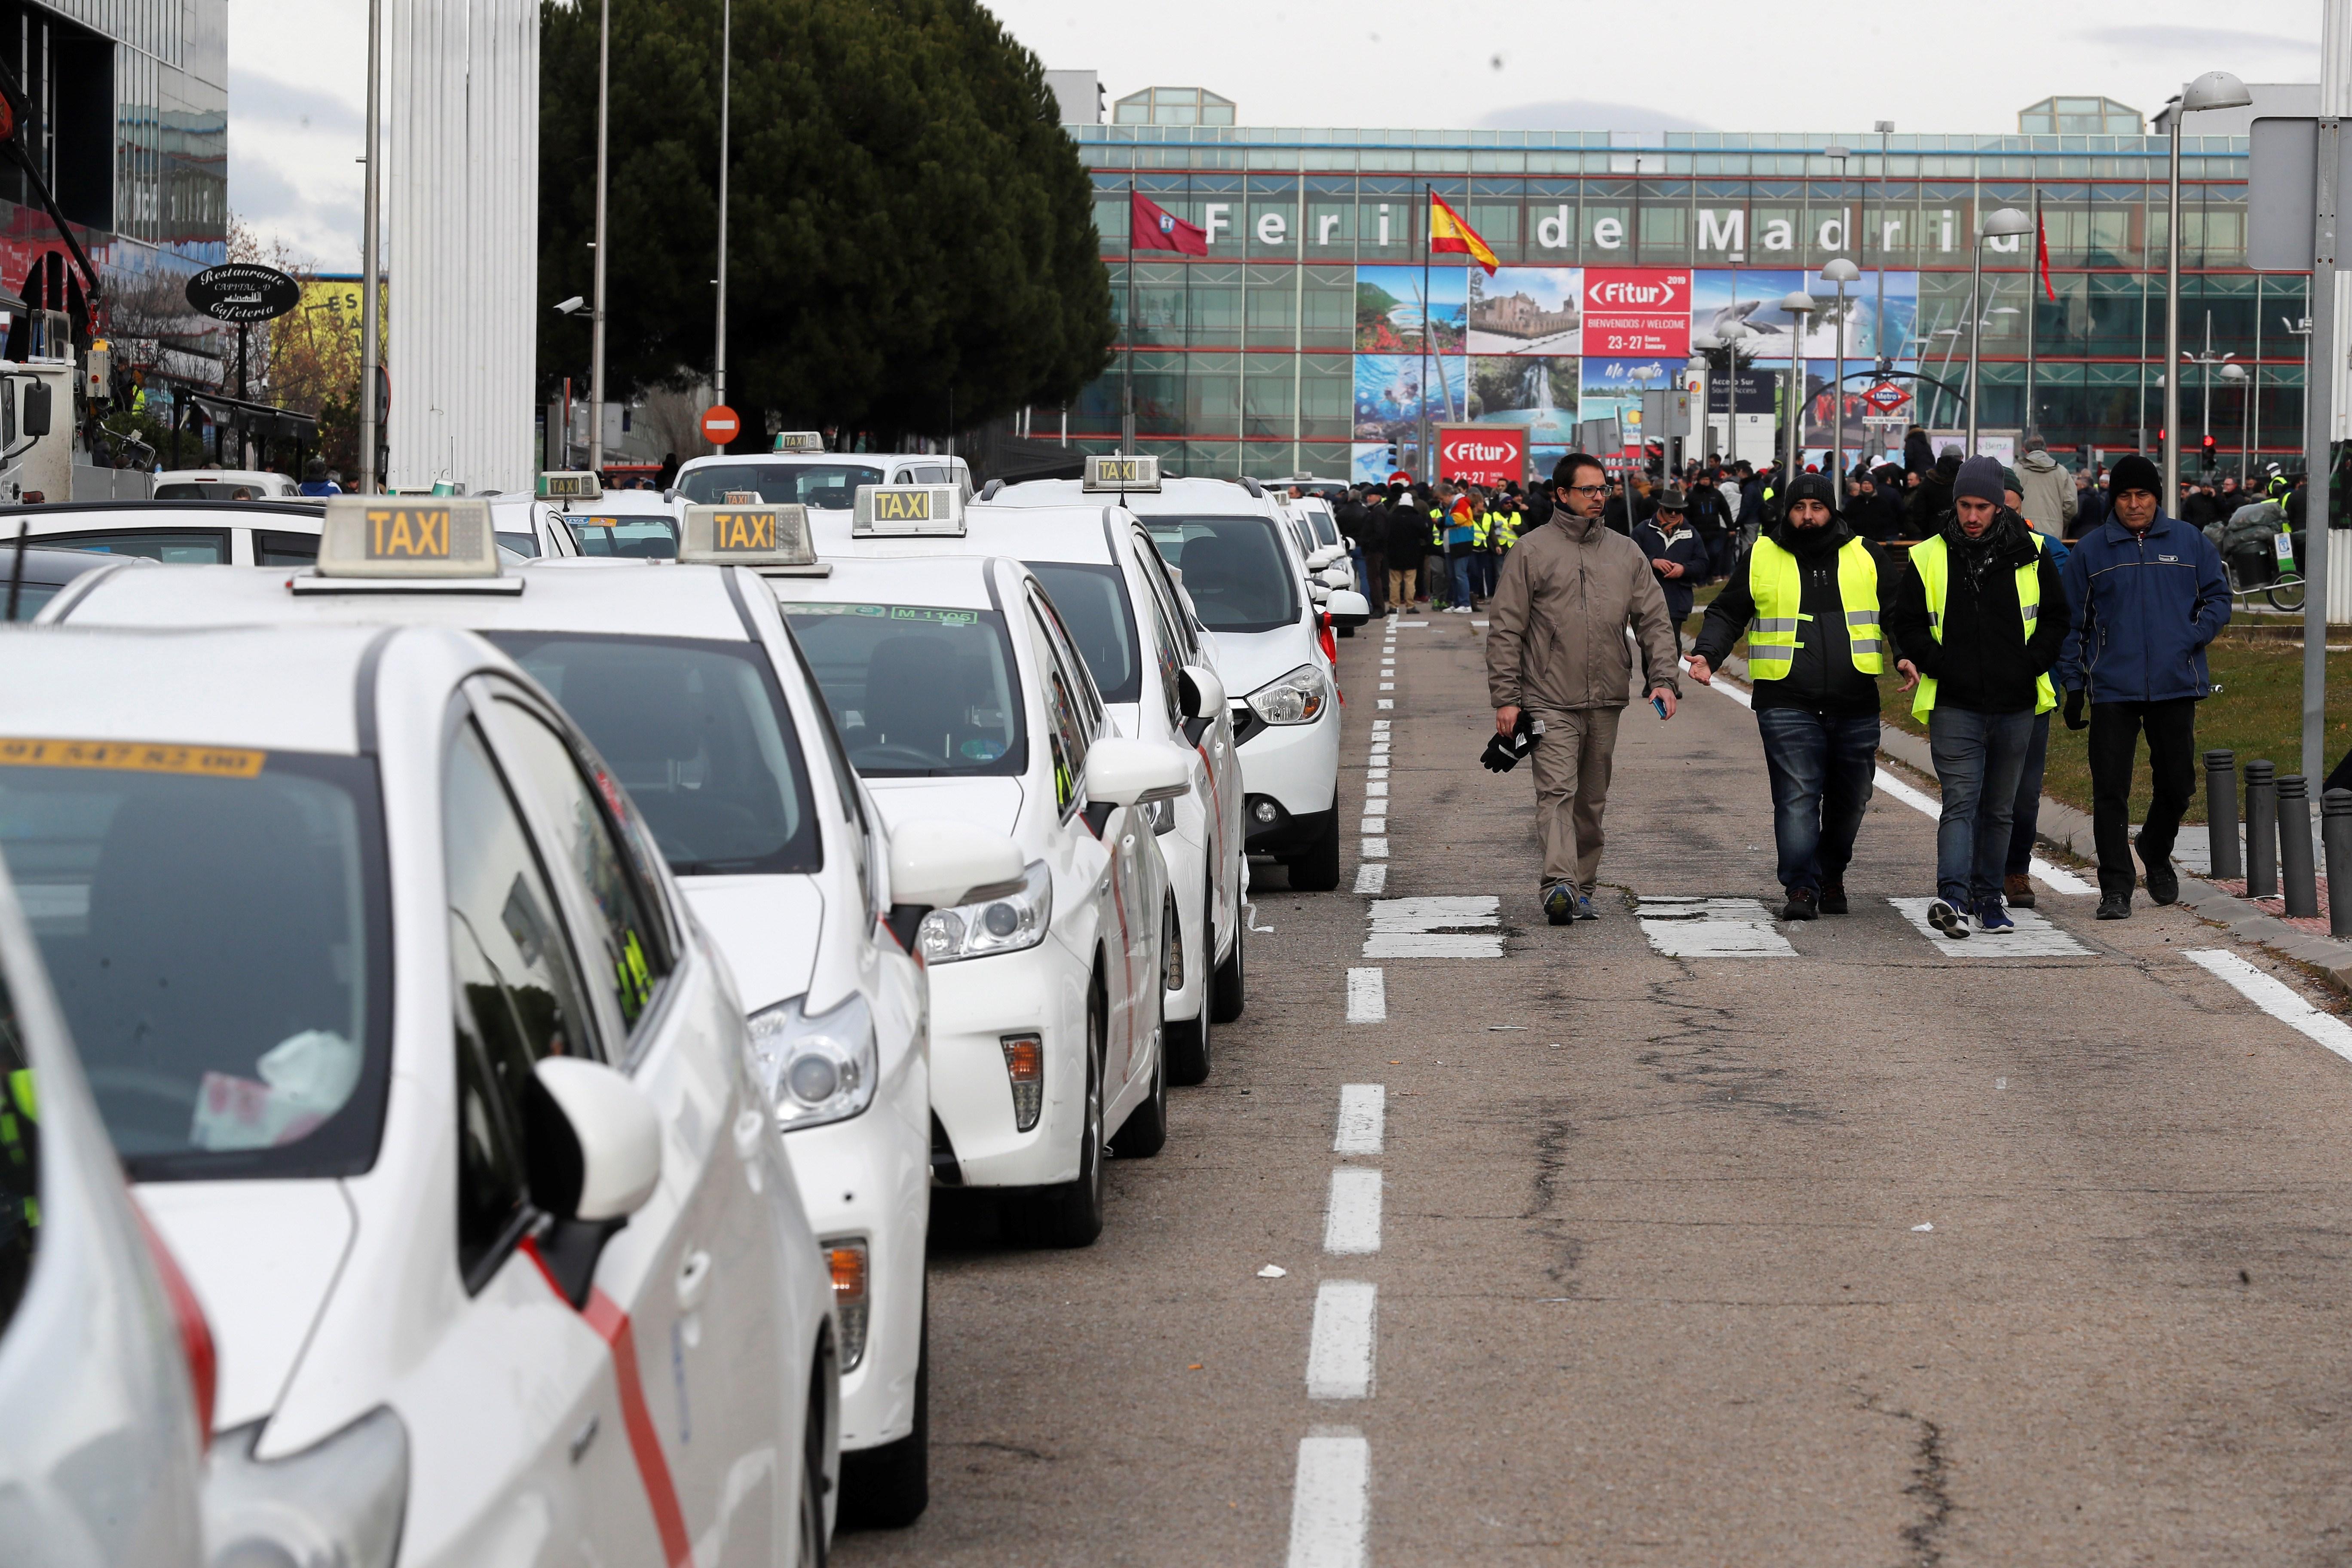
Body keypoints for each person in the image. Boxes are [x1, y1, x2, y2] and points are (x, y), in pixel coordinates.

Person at [1690, 472, 1897, 921]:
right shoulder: (1763, 554)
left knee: (1851, 799)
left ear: (1832, 510)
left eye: (1816, 508)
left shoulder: (1866, 555)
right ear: (1787, 511)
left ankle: (1831, 874)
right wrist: (1708, 653)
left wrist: (1906, 656)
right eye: (1799, 508)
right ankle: (1801, 887)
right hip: (1786, 699)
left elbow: (1898, 614)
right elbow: (1728, 610)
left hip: (1855, 700)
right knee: (1798, 795)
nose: (1807, 517)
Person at [1486, 452, 1681, 926]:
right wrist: (1507, 698)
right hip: (1546, 697)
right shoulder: (1531, 551)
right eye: (1589, 490)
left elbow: (1654, 619)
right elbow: (1506, 628)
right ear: (1562, 494)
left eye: (1604, 489)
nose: (1600, 498)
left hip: (1607, 698)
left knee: (1591, 803)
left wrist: (1663, 678)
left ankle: (1584, 887)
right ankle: (1559, 885)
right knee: (1556, 793)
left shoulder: (1626, 551)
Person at [1886, 456, 2068, 937]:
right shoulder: (1929, 555)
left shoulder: (2032, 550)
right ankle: (1953, 897)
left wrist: (2029, 665)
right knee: (1961, 801)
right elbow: (1906, 623)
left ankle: (1990, 897)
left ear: (1998, 507)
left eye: (1982, 507)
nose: (1972, 516)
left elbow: (2056, 617)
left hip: (2016, 702)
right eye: (1965, 506)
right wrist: (1941, 664)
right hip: (1955, 703)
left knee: (2000, 807)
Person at [2056, 453, 2232, 920]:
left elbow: (2218, 597)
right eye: (2125, 496)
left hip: (2176, 684)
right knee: (2110, 789)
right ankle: (2116, 886)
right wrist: (2073, 685)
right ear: (2114, 500)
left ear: (2157, 498)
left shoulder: (2190, 543)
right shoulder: (2091, 551)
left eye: (2143, 496)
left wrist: (2190, 636)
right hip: (2112, 687)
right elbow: (2071, 623)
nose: (2134, 505)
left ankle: (2154, 848)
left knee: (2177, 785)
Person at [1631, 487, 1709, 653]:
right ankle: (1651, 680)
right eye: (1669, 510)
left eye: (1678, 510)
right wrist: (1653, 561)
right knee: (1650, 643)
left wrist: (1684, 569)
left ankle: (1669, 679)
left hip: (1677, 598)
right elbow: (1629, 559)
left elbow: (1703, 563)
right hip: (1649, 598)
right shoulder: (1643, 530)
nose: (1673, 514)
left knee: (1673, 642)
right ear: (1661, 509)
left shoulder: (1691, 533)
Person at [2012, 432, 2077, 539]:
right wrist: (2058, 521)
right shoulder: (2062, 472)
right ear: (2047, 450)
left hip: (2021, 532)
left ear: (2025, 450)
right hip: (2053, 533)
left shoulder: (2015, 471)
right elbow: (2071, 506)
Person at [1382, 484, 1422, 610]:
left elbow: (1386, 534)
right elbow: (1425, 534)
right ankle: (1410, 606)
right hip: (1412, 554)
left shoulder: (1391, 518)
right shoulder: (1417, 518)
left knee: (1395, 582)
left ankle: (1393, 606)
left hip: (1394, 554)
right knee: (1410, 581)